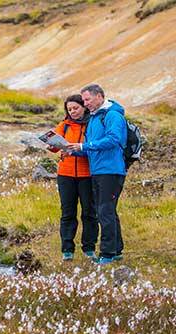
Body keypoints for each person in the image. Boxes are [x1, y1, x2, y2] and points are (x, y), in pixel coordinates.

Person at [66, 84, 126, 265]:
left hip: (111, 170)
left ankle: (107, 254)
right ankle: (116, 251)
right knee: (108, 211)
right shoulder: (93, 118)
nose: (85, 104)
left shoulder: (112, 115)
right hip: (98, 171)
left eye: (87, 100)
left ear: (99, 96)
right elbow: (92, 147)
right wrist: (73, 150)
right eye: (83, 100)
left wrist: (84, 146)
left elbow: (114, 139)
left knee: (104, 211)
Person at [49, 94, 96, 261]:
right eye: (69, 109)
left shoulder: (92, 124)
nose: (73, 111)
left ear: (84, 107)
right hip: (65, 175)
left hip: (87, 174)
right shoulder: (64, 125)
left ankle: (89, 249)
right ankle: (67, 250)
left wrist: (77, 150)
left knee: (89, 213)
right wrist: (52, 146)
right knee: (67, 213)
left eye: (75, 108)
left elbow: (94, 146)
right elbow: (54, 147)